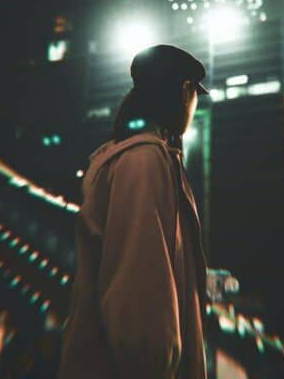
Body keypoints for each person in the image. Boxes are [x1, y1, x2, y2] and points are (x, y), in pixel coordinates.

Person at [58, 44, 210, 379]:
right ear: (185, 91)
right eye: (195, 95)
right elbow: (141, 294)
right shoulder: (144, 161)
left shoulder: (132, 157)